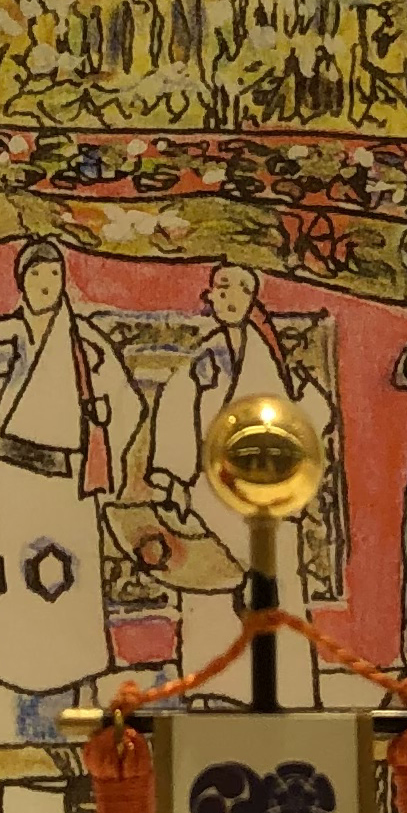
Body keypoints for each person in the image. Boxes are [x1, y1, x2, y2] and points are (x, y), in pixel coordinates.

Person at [0, 238, 144, 736]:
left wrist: (101, 434)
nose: (45, 284)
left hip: (69, 486)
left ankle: (86, 701)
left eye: (53, 275)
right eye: (36, 274)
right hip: (11, 480)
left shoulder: (87, 345)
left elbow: (128, 405)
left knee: (76, 587)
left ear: (63, 281)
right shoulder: (4, 340)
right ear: (21, 282)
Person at [146, 259, 339, 697]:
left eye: (239, 289)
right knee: (214, 588)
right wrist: (175, 480)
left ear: (252, 299)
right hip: (211, 492)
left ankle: (288, 690)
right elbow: (175, 414)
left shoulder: (266, 356)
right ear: (211, 297)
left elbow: (296, 418)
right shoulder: (203, 359)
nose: (230, 297)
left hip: (268, 493)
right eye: (222, 288)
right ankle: (213, 689)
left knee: (278, 586)